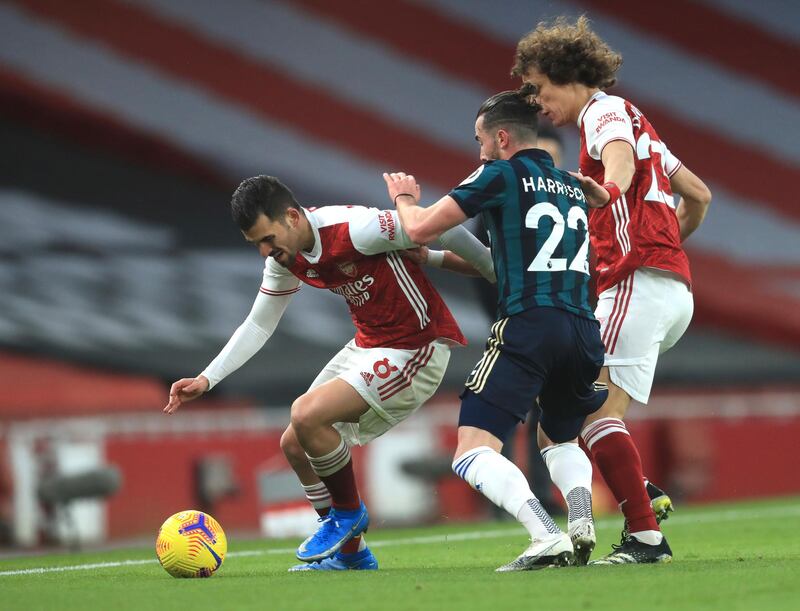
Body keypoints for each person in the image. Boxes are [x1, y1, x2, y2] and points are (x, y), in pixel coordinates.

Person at [163, 175, 495, 572]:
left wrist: (491, 266)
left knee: (305, 414)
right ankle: (352, 554)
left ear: (291, 216)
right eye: (257, 245)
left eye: (268, 239)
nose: (266, 252)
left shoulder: (354, 228)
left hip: (417, 347)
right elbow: (258, 324)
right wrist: (207, 378)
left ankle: (348, 513)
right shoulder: (285, 257)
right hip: (369, 346)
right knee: (295, 443)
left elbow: (435, 224)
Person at [512, 15, 712, 564]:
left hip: (634, 283)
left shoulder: (602, 114)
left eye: (538, 88)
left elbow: (618, 160)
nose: (536, 102)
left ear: (563, 74)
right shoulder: (637, 120)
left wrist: (607, 191)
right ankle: (640, 493)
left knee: (585, 411)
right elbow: (698, 195)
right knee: (582, 410)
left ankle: (646, 535)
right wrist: (668, 248)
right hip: (668, 290)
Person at [384, 88, 608, 571]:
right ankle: (581, 520)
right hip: (583, 328)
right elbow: (507, 264)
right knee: (561, 440)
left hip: (529, 325)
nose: (479, 149)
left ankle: (545, 535)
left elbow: (419, 226)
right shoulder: (570, 185)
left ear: (502, 137)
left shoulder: (500, 173)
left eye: (481, 139)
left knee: (471, 449)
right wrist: (439, 260)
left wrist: (403, 200)